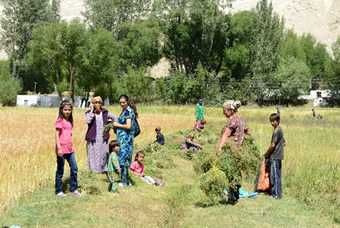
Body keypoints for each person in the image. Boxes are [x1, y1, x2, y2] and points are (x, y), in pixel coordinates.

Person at [216, 100, 251, 204]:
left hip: (232, 151)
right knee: (237, 174)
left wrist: (220, 147)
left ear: (231, 110)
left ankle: (231, 198)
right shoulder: (241, 119)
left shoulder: (232, 119)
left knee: (231, 173)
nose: (224, 113)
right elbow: (248, 132)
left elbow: (226, 134)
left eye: (225, 110)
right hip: (239, 151)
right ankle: (235, 197)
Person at [55, 100, 81, 197]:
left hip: (69, 149)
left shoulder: (70, 121)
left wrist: (72, 147)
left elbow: (69, 135)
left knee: (74, 168)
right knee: (60, 170)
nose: (67, 111)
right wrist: (59, 148)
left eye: (69, 110)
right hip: (61, 149)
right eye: (65, 110)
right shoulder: (60, 121)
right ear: (61, 110)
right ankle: (58, 191)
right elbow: (57, 135)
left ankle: (73, 189)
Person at [85, 96, 117, 173]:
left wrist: (110, 124)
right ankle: (93, 170)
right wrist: (92, 110)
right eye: (95, 103)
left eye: (99, 103)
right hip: (93, 138)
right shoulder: (89, 113)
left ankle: (103, 169)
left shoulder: (105, 112)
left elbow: (115, 118)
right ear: (92, 104)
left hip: (102, 137)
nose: (97, 104)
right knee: (93, 154)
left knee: (103, 153)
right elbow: (88, 121)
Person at [113, 94, 137, 186]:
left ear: (127, 102)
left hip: (126, 140)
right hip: (121, 139)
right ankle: (124, 180)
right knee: (121, 158)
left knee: (123, 160)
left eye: (124, 102)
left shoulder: (128, 111)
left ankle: (125, 181)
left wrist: (117, 125)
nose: (122, 104)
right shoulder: (124, 111)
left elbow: (128, 126)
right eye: (120, 103)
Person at [264, 113, 286, 199]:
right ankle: (277, 194)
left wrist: (267, 154)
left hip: (275, 156)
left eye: (274, 121)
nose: (272, 123)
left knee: (275, 177)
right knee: (277, 176)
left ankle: (276, 195)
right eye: (271, 121)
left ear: (278, 121)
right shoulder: (280, 130)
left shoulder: (276, 131)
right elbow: (284, 143)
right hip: (278, 156)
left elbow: (273, 145)